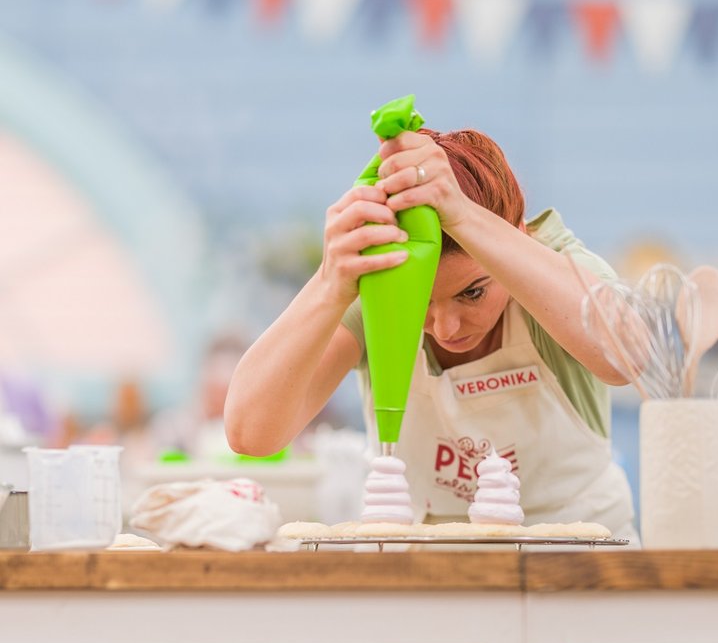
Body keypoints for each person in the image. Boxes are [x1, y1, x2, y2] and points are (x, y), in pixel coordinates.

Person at [225, 128, 637, 541]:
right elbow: (251, 433)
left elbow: (629, 358)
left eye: (472, 293)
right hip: (433, 571)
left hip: (580, 561)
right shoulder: (375, 289)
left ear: (518, 233)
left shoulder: (555, 269)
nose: (445, 328)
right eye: (418, 302)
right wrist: (330, 281)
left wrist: (464, 215)